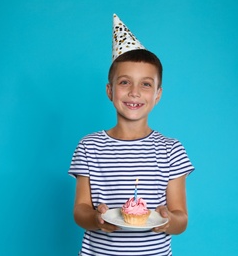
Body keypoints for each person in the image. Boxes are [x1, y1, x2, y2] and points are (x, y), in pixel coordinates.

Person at [69, 14, 194, 256]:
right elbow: (80, 210)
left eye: (146, 84)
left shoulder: (171, 150)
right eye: (125, 82)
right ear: (110, 90)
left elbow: (181, 218)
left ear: (157, 95)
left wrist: (168, 220)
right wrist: (96, 219)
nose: (134, 92)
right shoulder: (89, 146)